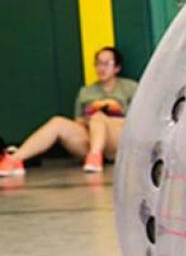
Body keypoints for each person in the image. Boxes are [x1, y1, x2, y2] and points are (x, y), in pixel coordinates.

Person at [0, 46, 138, 176]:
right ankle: (14, 159)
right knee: (58, 122)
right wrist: (89, 119)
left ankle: (95, 157)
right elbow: (78, 121)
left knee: (98, 117)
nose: (101, 68)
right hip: (90, 137)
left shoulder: (130, 87)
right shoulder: (86, 92)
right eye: (98, 63)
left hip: (118, 140)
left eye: (106, 64)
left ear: (117, 67)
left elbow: (139, 121)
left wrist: (109, 113)